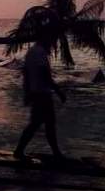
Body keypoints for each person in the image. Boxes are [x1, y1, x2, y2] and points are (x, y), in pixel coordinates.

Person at [14, 22, 67, 161]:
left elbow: (25, 73)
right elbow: (45, 75)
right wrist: (58, 91)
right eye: (51, 37)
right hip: (42, 94)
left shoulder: (32, 52)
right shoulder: (40, 52)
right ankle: (55, 154)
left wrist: (27, 91)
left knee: (40, 123)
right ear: (45, 37)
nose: (53, 41)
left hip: (36, 92)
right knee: (44, 124)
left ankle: (54, 153)